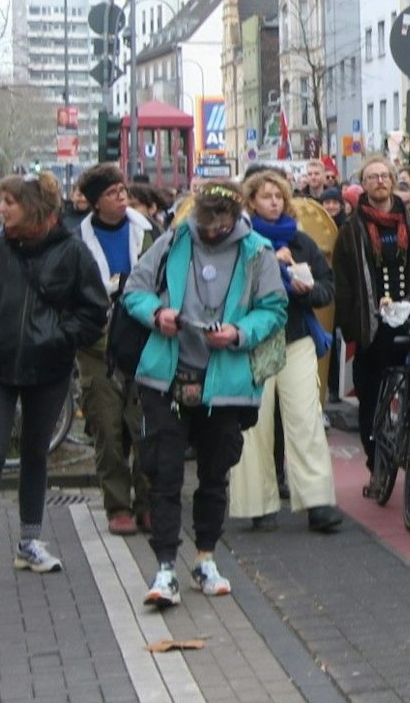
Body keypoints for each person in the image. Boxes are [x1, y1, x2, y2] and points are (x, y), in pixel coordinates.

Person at [122, 182, 288, 608]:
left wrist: (239, 333)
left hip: (227, 383)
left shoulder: (257, 251)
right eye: (205, 220)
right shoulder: (173, 241)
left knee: (215, 474)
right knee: (164, 471)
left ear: (235, 216)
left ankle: (205, 558)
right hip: (167, 375)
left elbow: (274, 308)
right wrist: (157, 314)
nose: (211, 229)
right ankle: (163, 568)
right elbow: (133, 292)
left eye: (221, 221)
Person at [0, 173, 108, 589]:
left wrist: (59, 339)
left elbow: (95, 312)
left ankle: (29, 542)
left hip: (48, 369)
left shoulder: (73, 254)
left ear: (35, 209)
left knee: (35, 454)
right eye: (1, 201)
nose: (0, 208)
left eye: (10, 202)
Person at [227, 169, 344, 535]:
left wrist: (302, 281)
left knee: (306, 419)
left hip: (296, 338)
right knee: (254, 425)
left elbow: (327, 288)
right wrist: (269, 267)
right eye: (265, 196)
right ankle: (258, 504)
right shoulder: (239, 242)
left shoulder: (302, 242)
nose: (274, 202)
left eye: (278, 196)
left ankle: (317, 501)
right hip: (255, 342)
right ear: (251, 202)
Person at [74, 164, 158, 534]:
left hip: (144, 341)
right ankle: (117, 505)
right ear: (95, 203)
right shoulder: (77, 240)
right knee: (107, 429)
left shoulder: (147, 232)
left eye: (123, 190)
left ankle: (149, 502)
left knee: (146, 426)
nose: (122, 197)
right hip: (98, 345)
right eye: (112, 193)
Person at [335, 155, 410, 468]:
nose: (380, 181)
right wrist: (353, 327)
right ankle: (376, 460)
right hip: (372, 323)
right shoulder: (352, 229)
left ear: (392, 181)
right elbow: (344, 282)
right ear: (363, 185)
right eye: (372, 177)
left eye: (384, 176)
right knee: (370, 394)